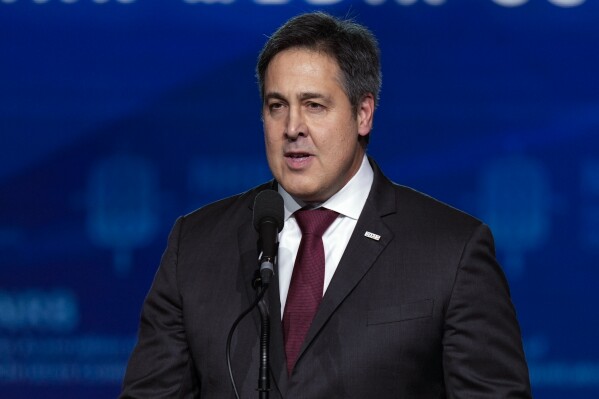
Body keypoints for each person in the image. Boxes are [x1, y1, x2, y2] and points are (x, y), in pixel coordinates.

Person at [120, 12, 532, 398]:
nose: (292, 128)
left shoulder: (452, 251)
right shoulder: (195, 245)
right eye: (276, 106)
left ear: (364, 113)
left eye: (314, 106)